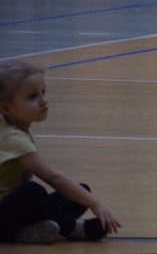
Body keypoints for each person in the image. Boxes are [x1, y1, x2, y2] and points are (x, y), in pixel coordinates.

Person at [0, 59, 122, 244]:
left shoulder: (19, 130)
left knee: (80, 191)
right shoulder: (11, 138)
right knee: (32, 192)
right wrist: (95, 204)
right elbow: (53, 178)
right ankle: (74, 228)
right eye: (33, 96)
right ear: (6, 108)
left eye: (43, 92)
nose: (43, 100)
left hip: (11, 212)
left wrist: (88, 199)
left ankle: (25, 232)